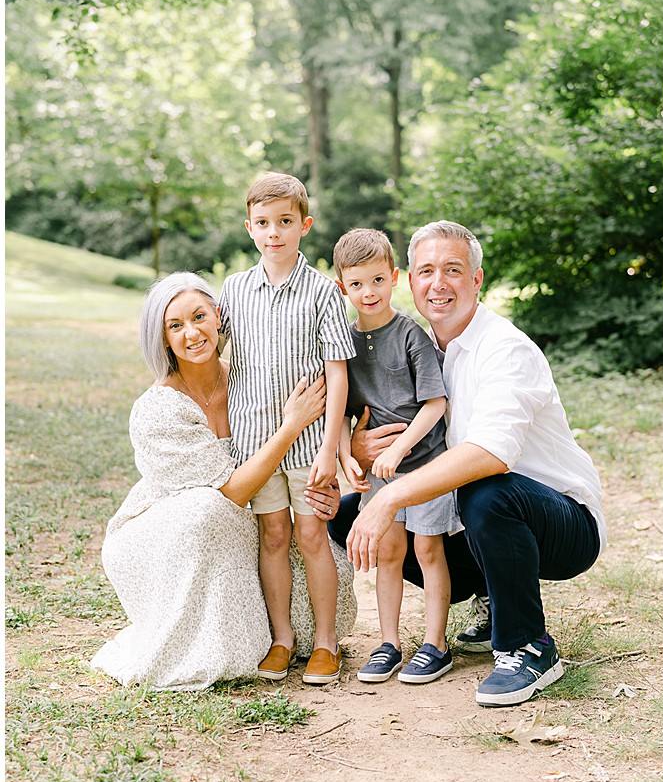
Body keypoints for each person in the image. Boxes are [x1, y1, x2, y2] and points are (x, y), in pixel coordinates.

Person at [334, 221, 606, 710]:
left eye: (453, 270)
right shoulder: (416, 346)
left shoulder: (504, 348)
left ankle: (528, 645)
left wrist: (394, 493)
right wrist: (358, 448)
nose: (439, 284)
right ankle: (492, 597)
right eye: (427, 271)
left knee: (487, 492)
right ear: (410, 281)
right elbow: (379, 418)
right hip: (471, 522)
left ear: (477, 280)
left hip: (561, 522)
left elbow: (492, 453)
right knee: (347, 513)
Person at [92, 273, 344, 689]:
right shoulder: (158, 409)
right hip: (169, 531)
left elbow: (304, 452)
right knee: (210, 510)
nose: (192, 333)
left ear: (219, 318)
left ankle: (316, 641)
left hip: (251, 524)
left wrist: (322, 487)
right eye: (176, 326)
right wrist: (291, 425)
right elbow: (230, 493)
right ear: (163, 340)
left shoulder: (251, 381)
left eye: (199, 316)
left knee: (326, 569)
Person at [220, 171, 354, 685]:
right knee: (272, 536)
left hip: (307, 444)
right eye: (262, 223)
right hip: (254, 442)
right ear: (249, 228)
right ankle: (282, 638)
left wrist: (329, 450)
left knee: (311, 534)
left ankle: (326, 643)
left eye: (284, 222)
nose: (273, 232)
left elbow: (338, 371)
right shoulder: (234, 290)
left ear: (304, 225)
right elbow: (216, 355)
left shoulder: (322, 292)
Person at [330, 227, 456, 686]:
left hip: (424, 463)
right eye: (358, 284)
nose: (369, 292)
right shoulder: (341, 341)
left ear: (395, 278)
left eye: (378, 281)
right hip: (378, 472)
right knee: (388, 552)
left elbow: (435, 404)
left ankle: (435, 644)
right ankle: (388, 643)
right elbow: (339, 411)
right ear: (343, 286)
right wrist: (346, 456)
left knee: (427, 548)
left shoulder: (410, 335)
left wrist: (401, 447)